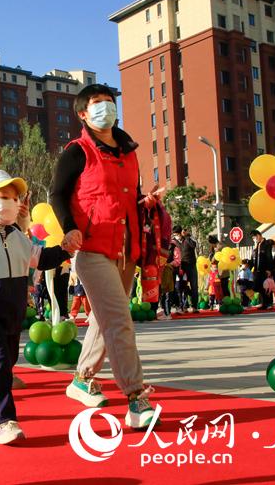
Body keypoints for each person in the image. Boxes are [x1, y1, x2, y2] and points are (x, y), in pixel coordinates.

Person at [50, 83, 159, 430]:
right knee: (118, 321)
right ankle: (136, 398)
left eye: (110, 103)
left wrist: (145, 202)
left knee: (104, 318)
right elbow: (57, 194)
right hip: (92, 248)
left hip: (127, 249)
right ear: (83, 114)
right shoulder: (77, 151)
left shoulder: (129, 151)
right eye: (97, 104)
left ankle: (82, 379)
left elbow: (130, 195)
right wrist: (68, 227)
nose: (106, 109)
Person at [0, 170, 72, 444]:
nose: (12, 203)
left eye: (15, 198)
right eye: (4, 197)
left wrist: (65, 249)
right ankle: (5, 422)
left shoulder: (19, 238)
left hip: (12, 316)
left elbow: (41, 259)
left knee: (5, 364)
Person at [251, 230, 273, 310]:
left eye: (254, 237)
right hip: (258, 269)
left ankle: (269, 303)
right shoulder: (258, 245)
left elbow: (269, 257)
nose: (254, 239)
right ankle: (263, 303)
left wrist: (269, 269)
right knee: (260, 287)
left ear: (258, 235)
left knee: (266, 286)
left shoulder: (267, 244)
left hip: (265, 269)